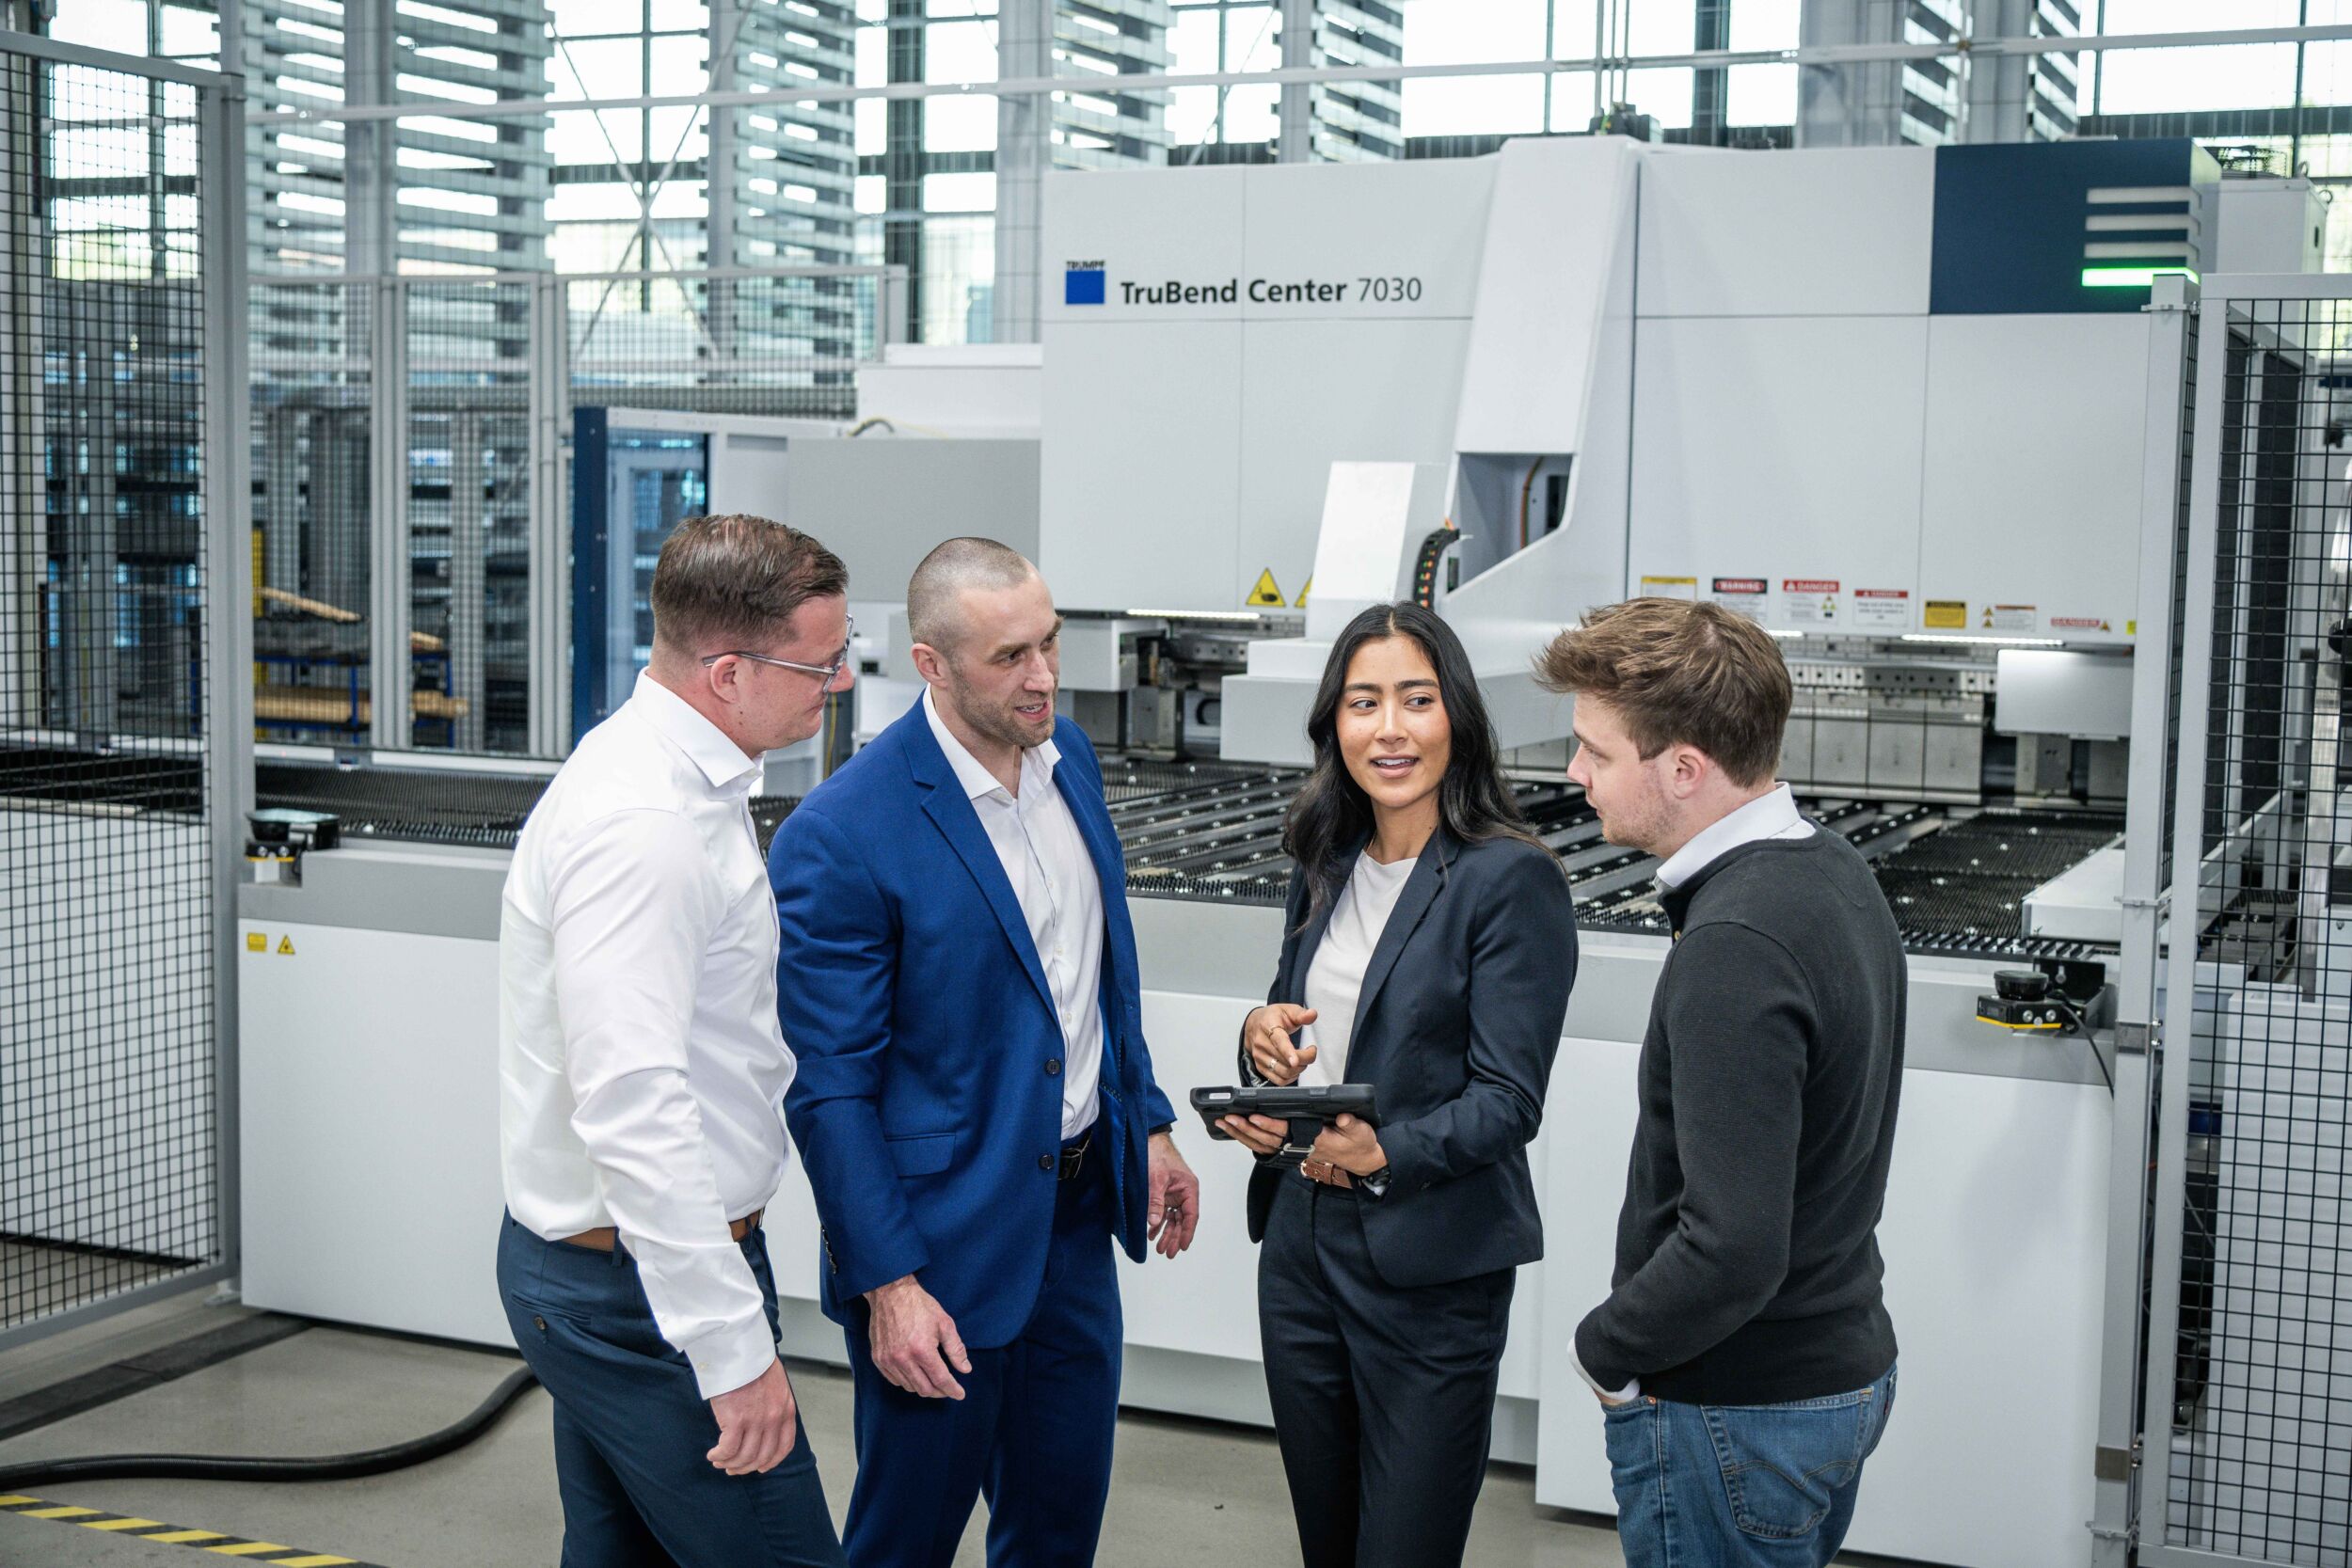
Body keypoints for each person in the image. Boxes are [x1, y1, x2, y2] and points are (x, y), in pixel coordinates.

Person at [769, 537, 1201, 1568]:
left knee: (1057, 1529)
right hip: (942, 1251)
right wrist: (891, 1284)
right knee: (904, 1541)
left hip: (1076, 1223)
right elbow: (831, 1088)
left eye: (1048, 642)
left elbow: (1094, 983)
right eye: (1010, 656)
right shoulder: (843, 831)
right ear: (931, 664)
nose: (1044, 675)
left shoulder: (1069, 760)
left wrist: (1149, 1122)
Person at [495, 515, 852, 1568]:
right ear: (729, 670)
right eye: (818, 663)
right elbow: (631, 1101)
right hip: (642, 1292)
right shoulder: (642, 824)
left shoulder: (684, 776)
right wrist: (730, 1346)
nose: (833, 684)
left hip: (638, 1272)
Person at [1541, 597, 1904, 1568]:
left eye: (1594, 750)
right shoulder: (1831, 871)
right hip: (1832, 1373)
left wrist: (1600, 1345)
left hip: (1734, 1408)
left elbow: (1732, 1245)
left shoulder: (1734, 944)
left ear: (1684, 767)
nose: (1572, 773)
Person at [1215, 601, 1578, 1568]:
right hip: (1299, 1244)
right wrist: (1262, 1040)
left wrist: (1385, 1151)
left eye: (1415, 700)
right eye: (1363, 701)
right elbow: (1305, 1018)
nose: (1389, 728)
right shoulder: (1325, 856)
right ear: (1333, 720)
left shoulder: (1509, 879)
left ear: (1454, 714)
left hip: (1430, 1264)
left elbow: (1509, 1098)